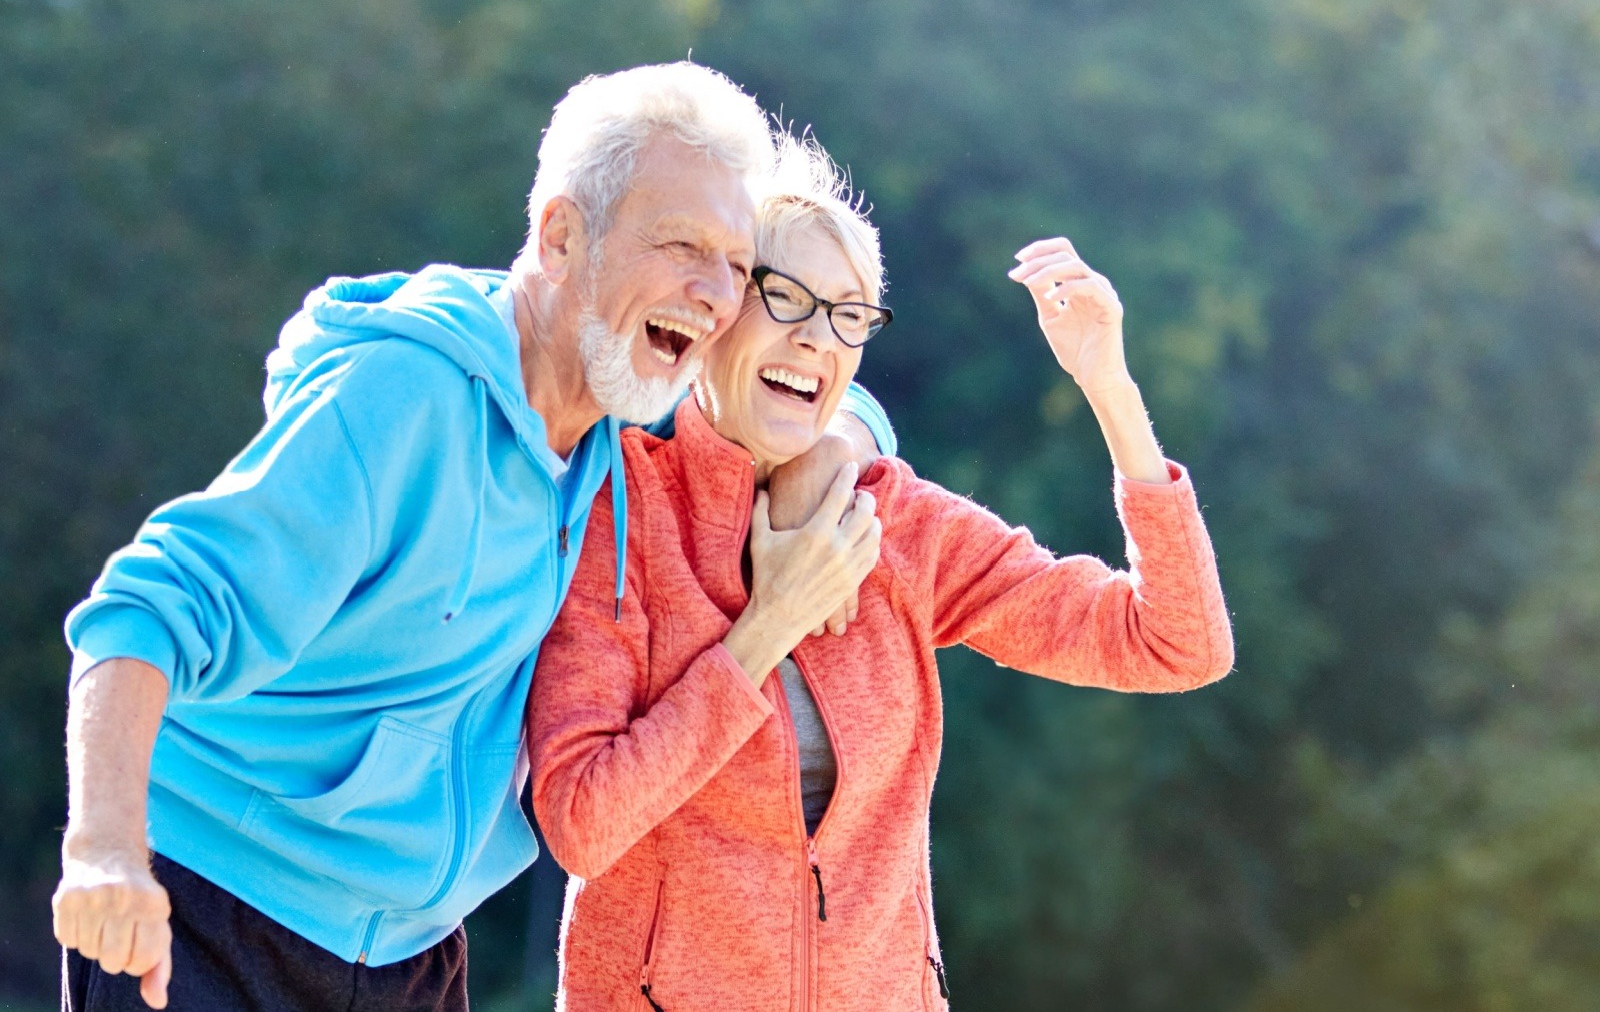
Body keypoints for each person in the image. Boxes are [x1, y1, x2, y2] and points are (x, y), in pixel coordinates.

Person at [51, 63, 895, 1011]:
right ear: (564, 236)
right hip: (218, 918)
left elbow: (800, 388)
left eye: (735, 267)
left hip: (414, 957)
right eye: (681, 246)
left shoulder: (622, 411)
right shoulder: (401, 401)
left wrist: (838, 451)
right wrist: (103, 852)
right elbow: (141, 614)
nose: (712, 294)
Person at [526, 137, 1235, 1010]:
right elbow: (582, 824)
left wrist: (1112, 391)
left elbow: (1179, 643)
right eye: (786, 298)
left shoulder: (896, 523)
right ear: (717, 313)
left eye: (850, 316)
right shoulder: (621, 513)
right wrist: (768, 626)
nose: (816, 341)